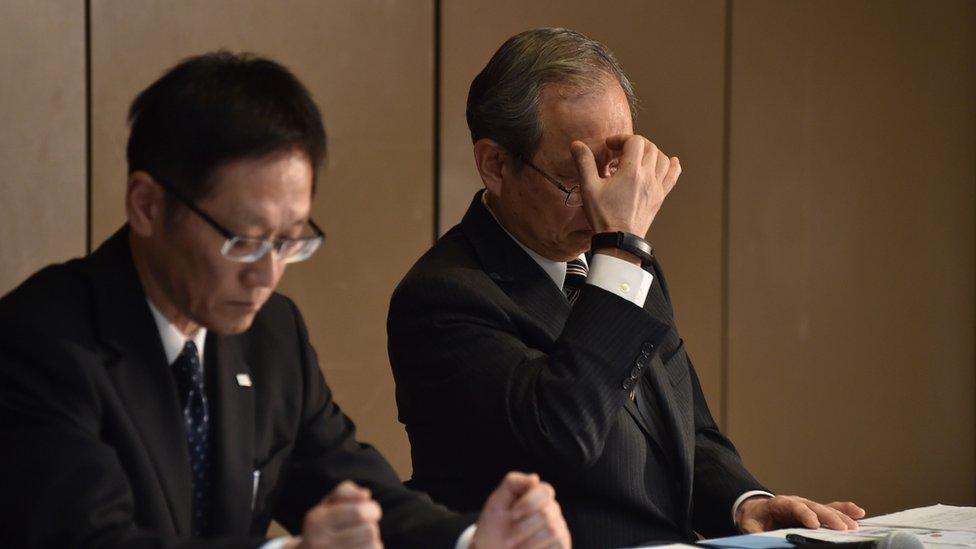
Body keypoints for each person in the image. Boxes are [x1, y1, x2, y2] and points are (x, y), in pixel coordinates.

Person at [0, 51, 571, 549]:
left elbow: (357, 495)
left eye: (290, 239)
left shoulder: (271, 334)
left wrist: (472, 539)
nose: (268, 274)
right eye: (244, 241)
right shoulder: (42, 341)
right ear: (147, 205)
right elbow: (88, 540)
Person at [387, 27, 865, 549]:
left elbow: (684, 431)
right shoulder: (444, 297)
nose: (604, 203)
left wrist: (746, 502)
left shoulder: (626, 261)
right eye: (578, 179)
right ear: (495, 165)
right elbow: (561, 435)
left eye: (617, 170)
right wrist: (619, 256)